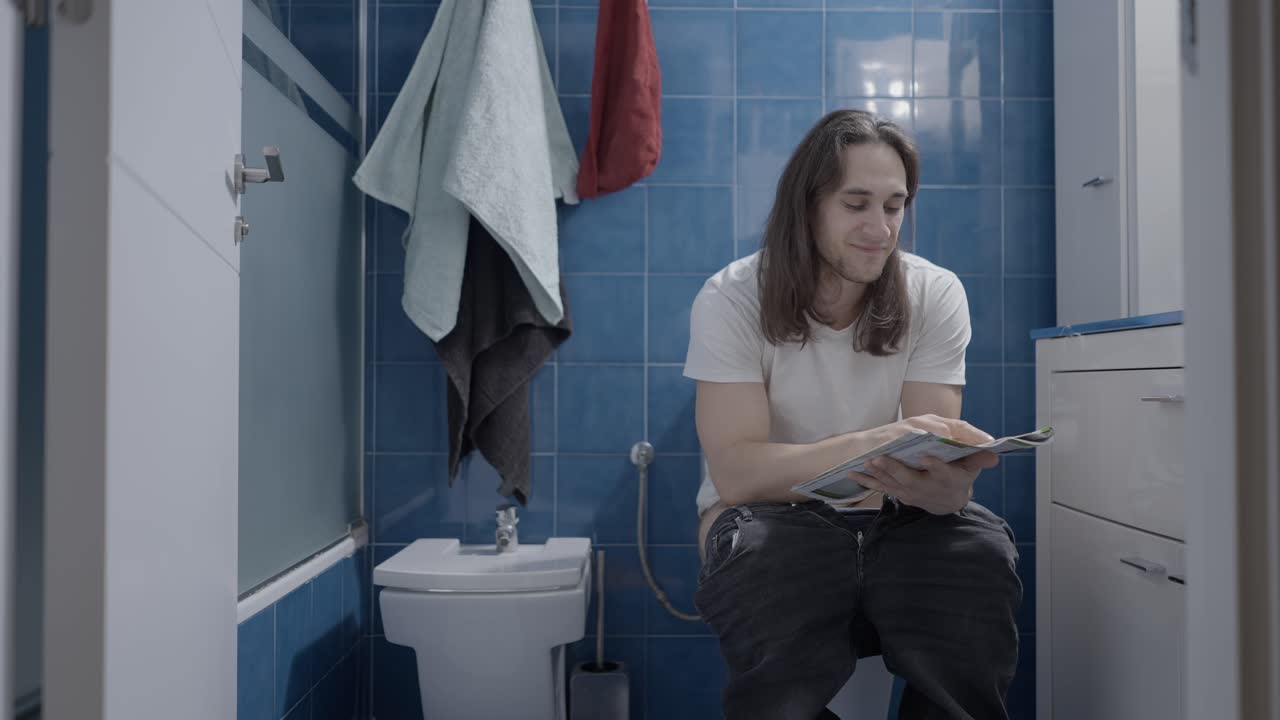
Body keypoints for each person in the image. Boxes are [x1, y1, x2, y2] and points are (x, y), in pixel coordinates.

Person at [684, 109, 1021, 720]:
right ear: (806, 207)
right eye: (856, 203)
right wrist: (881, 440)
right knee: (762, 561)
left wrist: (952, 487)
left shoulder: (934, 293)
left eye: (894, 206)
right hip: (771, 518)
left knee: (980, 552)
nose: (880, 228)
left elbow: (932, 463)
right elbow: (736, 475)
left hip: (896, 516)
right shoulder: (731, 297)